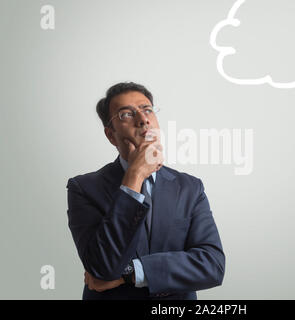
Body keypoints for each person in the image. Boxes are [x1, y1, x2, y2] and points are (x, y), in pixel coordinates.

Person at [66, 82, 225, 300]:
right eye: (126, 114)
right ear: (111, 135)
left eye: (147, 109)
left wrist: (130, 273)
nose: (143, 119)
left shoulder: (190, 187)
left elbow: (212, 265)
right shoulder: (83, 188)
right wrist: (134, 175)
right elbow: (102, 268)